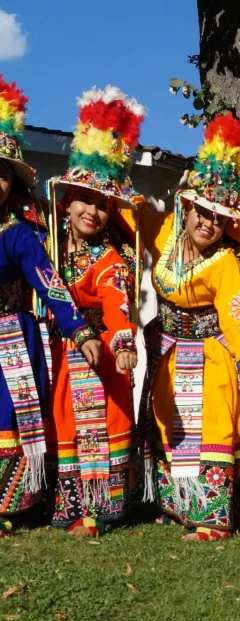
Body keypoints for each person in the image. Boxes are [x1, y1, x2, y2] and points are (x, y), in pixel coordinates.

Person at [134, 112, 240, 542]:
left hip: (210, 352)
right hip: (168, 347)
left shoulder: (226, 261)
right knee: (169, 420)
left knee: (211, 425)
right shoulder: (166, 230)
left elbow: (234, 312)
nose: (208, 223)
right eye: (202, 212)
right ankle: (177, 505)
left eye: (218, 218)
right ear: (187, 207)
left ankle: (212, 518)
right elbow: (131, 219)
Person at [0, 76, 101, 536]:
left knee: (6, 415)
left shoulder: (17, 234)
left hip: (10, 340)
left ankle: (9, 504)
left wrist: (78, 330)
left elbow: (48, 280)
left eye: (2, 173)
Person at [46, 86, 144, 537]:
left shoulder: (110, 261)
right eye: (84, 200)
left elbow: (115, 302)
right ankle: (67, 505)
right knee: (64, 421)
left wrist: (122, 342)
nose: (92, 211)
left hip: (100, 351)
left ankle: (97, 510)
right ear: (66, 203)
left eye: (102, 204)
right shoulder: (47, 246)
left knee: (98, 425)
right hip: (60, 351)